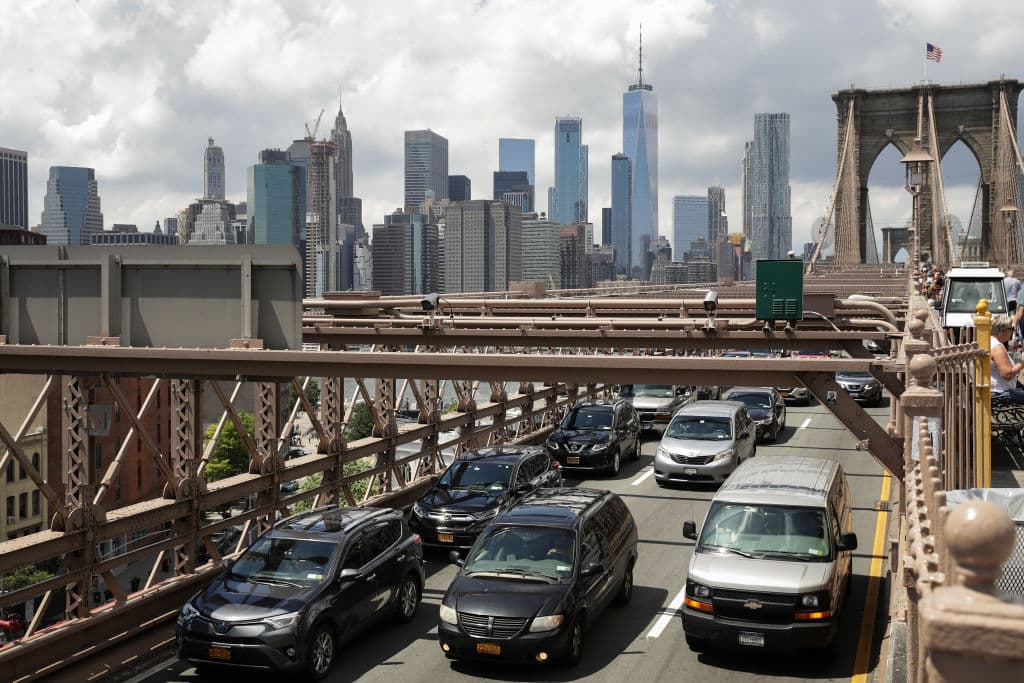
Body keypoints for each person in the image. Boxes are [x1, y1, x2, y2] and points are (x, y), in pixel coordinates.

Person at [990, 315, 1024, 403]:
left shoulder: (990, 341)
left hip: (996, 390)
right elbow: (1007, 375)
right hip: (1000, 393)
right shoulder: (998, 347)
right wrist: (1022, 363)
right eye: (1011, 328)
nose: (1013, 331)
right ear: (1003, 331)